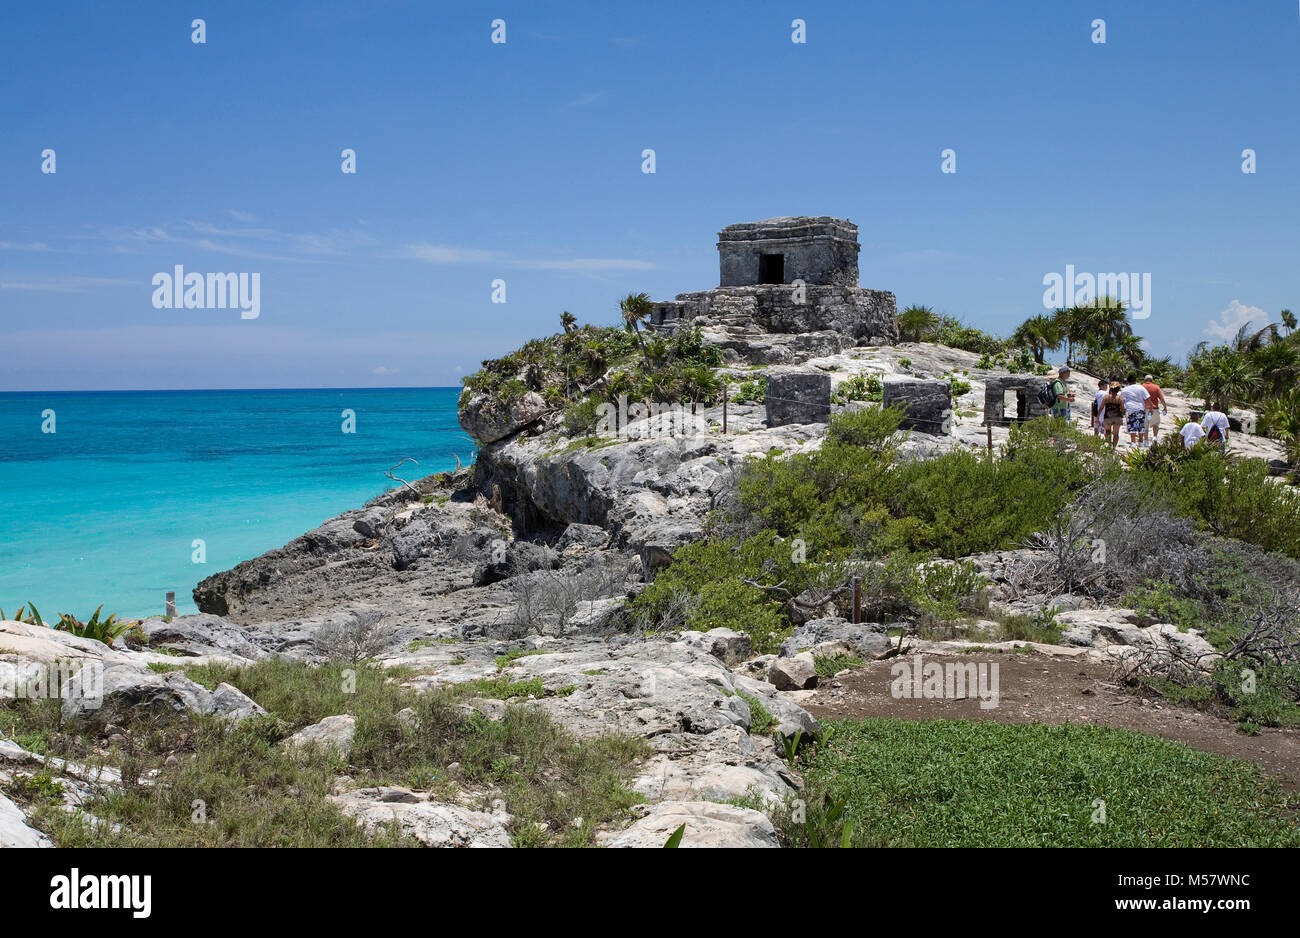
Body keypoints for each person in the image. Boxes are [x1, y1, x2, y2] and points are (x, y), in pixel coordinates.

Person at [1119, 372, 1151, 447]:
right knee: (1141, 425)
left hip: (1130, 409)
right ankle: (1140, 442)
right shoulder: (1141, 388)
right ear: (1135, 381)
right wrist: (1151, 408)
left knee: (1131, 425)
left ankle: (1133, 442)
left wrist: (1122, 408)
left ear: (1128, 381)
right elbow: (1147, 398)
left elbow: (1121, 399)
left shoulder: (1125, 389)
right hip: (1140, 408)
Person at [1142, 374, 1168, 441]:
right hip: (1154, 409)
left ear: (1145, 380)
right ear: (1152, 380)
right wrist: (1165, 407)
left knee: (1145, 425)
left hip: (1144, 409)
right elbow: (1161, 399)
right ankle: (1154, 437)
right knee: (1155, 423)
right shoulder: (1156, 387)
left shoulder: (1141, 387)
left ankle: (1146, 440)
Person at [1100, 382, 1125, 448]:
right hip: (1117, 417)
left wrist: (1098, 415)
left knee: (1107, 432)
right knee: (1116, 434)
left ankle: (1108, 446)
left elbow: (1101, 407)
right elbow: (1122, 409)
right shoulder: (1120, 398)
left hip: (1108, 416)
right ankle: (1113, 448)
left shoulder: (1106, 397)